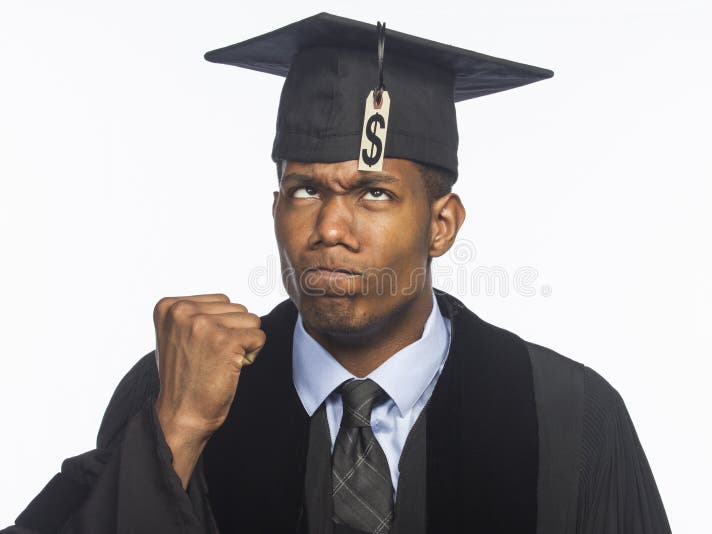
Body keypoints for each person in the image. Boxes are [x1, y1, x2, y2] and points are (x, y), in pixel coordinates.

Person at [3, 12, 671, 534]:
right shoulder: (172, 389)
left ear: (442, 225)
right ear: (275, 208)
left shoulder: (571, 416)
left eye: (373, 193)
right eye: (304, 191)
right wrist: (175, 431)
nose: (328, 229)